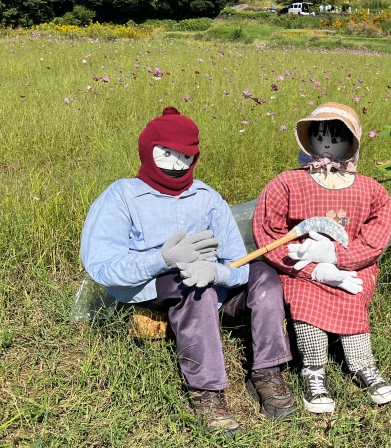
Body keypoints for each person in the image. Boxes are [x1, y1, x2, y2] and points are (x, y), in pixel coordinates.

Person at [80, 107, 296, 434]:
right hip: (156, 288)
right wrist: (163, 260)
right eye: (165, 152)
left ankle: (268, 371)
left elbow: (237, 261)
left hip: (211, 282)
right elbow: (102, 267)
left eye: (184, 156)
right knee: (194, 287)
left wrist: (217, 272)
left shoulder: (207, 198)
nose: (175, 163)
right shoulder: (122, 195)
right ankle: (207, 391)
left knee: (263, 276)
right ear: (147, 148)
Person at [253, 102, 391, 414]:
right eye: (320, 136)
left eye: (338, 137)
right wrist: (312, 269)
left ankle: (363, 366)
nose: (328, 144)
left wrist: (339, 256)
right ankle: (313, 372)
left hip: (352, 267)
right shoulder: (288, 183)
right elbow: (269, 231)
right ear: (309, 140)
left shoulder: (370, 190)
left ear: (352, 143)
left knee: (350, 291)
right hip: (300, 267)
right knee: (305, 301)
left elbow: (377, 233)